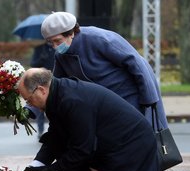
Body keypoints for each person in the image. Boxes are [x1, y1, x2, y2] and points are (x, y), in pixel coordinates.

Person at [18, 68, 190, 171]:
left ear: (41, 90)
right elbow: (55, 138)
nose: (29, 104)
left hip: (131, 145)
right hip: (110, 144)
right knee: (64, 147)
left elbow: (81, 151)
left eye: (28, 99)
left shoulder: (72, 100)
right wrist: (33, 170)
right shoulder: (58, 95)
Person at [40, 11, 168, 129]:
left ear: (71, 33)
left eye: (58, 41)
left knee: (140, 141)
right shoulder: (61, 55)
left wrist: (149, 100)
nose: (55, 47)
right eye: (51, 43)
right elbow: (57, 86)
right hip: (104, 106)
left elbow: (136, 62)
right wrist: (31, 107)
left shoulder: (98, 38)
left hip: (130, 98)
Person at [29, 43, 55, 138]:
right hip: (41, 82)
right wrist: (41, 59)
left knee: (54, 107)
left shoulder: (58, 46)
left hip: (56, 81)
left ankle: (54, 130)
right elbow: (33, 64)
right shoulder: (40, 48)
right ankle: (40, 130)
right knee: (40, 106)